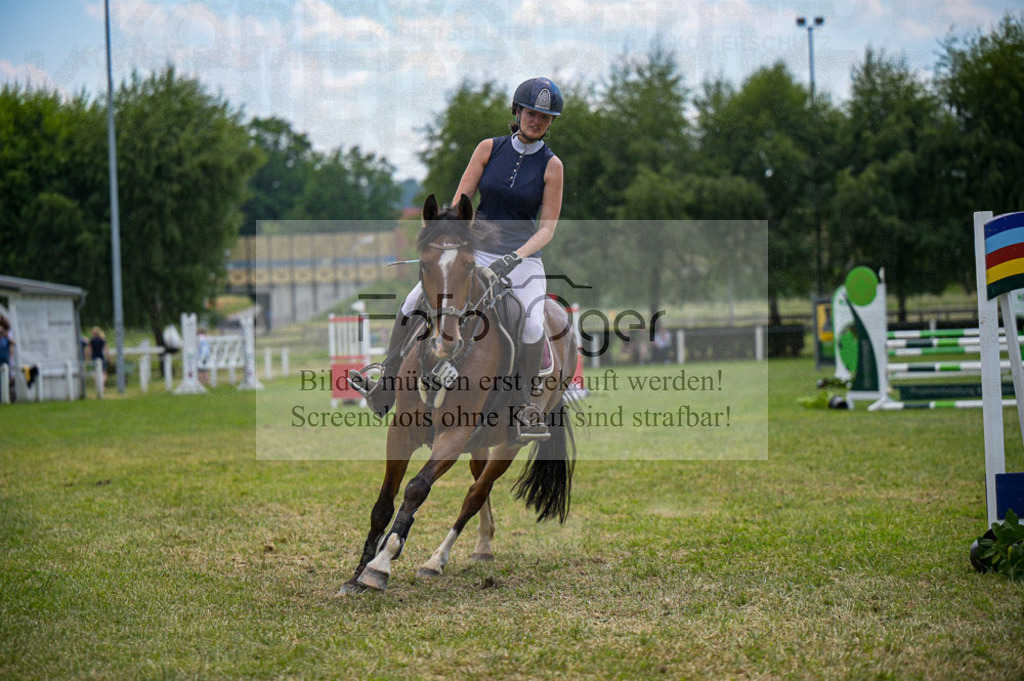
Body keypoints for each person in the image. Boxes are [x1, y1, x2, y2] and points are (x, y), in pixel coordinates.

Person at [352, 77, 565, 442]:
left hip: (523, 257)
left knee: (531, 323)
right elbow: (458, 203)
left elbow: (546, 229)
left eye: (545, 117)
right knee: (413, 300)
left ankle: (529, 406)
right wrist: (447, 241)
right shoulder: (488, 149)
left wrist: (514, 257)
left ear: (550, 122)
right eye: (531, 113)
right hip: (474, 248)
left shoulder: (552, 166)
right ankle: (385, 383)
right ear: (517, 112)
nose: (537, 121)